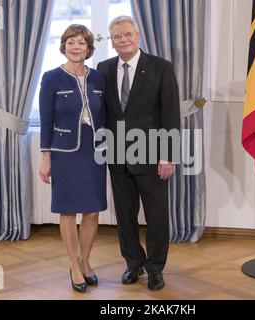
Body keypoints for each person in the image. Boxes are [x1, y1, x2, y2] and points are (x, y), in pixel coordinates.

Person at [97, 16, 180, 291]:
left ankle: (156, 269)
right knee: (125, 216)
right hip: (118, 156)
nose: (123, 40)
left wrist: (168, 156)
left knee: (156, 216)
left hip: (152, 156)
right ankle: (133, 263)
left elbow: (170, 114)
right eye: (117, 36)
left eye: (127, 34)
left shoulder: (160, 68)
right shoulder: (104, 68)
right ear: (112, 41)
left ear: (138, 36)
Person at [38, 24, 107, 293]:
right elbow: (46, 121)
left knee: (92, 210)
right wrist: (46, 157)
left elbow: (106, 116)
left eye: (81, 42)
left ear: (89, 48)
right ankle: (74, 267)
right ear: (64, 46)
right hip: (64, 152)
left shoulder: (99, 78)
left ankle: (85, 261)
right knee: (67, 211)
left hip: (94, 150)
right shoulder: (52, 77)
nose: (76, 47)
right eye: (71, 42)